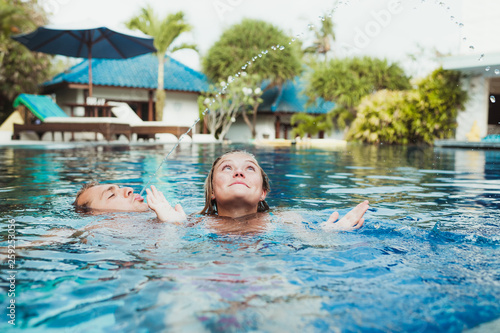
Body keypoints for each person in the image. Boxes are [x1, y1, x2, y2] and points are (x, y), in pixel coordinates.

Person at [73, 150, 369, 231]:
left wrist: (332, 234)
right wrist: (172, 229)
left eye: (249, 168)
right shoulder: (192, 221)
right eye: (227, 168)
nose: (239, 171)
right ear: (211, 191)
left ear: (264, 192)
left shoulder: (287, 220)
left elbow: (313, 246)